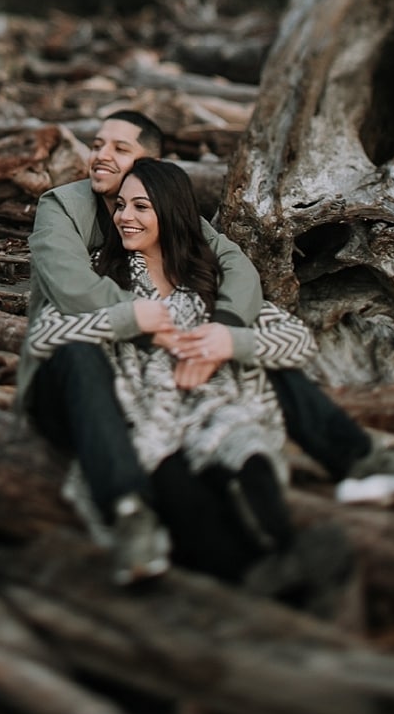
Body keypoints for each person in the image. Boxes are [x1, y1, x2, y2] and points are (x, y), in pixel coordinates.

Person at [20, 109, 394, 585]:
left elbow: (238, 270)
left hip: (174, 387)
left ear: (155, 169)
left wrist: (221, 332)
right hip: (74, 374)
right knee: (156, 444)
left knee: (243, 381)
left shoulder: (173, 228)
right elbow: (73, 294)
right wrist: (146, 324)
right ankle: (131, 511)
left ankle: (354, 463)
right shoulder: (67, 211)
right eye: (97, 144)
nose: (100, 155)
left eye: (121, 150)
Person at [25, 156, 345, 596]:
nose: (124, 217)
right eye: (120, 206)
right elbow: (47, 333)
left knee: (245, 461)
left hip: (207, 410)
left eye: (141, 207)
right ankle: (250, 587)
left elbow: (295, 341)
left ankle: (284, 564)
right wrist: (129, 319)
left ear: (170, 211)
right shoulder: (102, 273)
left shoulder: (207, 281)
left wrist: (230, 343)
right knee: (178, 485)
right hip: (140, 412)